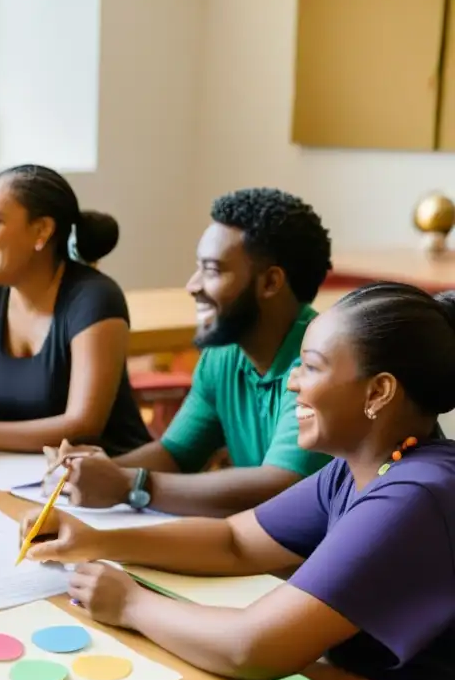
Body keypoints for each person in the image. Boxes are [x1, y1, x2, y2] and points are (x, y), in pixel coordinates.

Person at [23, 281, 455, 680]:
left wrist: (131, 604)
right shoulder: (358, 469)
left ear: (378, 392)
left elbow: (253, 647)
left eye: (311, 368)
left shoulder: (413, 495)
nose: (292, 385)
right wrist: (95, 541)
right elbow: (235, 540)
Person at [48, 188, 334, 517]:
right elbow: (175, 454)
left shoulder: (319, 364)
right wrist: (85, 472)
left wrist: (131, 483)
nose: (192, 285)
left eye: (212, 271)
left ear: (270, 283)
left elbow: (281, 486)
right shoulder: (224, 354)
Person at [0, 164, 151, 455]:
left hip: (107, 482)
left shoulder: (95, 298)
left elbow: (83, 427)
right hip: (18, 476)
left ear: (42, 230)